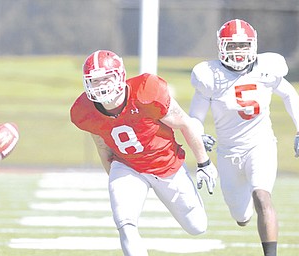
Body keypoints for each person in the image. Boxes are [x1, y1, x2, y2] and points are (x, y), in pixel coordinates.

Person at [70, 50, 218, 255]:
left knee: (197, 226)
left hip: (167, 165)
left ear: (120, 75)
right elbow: (103, 146)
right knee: (125, 224)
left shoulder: (147, 91)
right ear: (87, 83)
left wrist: (204, 163)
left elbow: (184, 122)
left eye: (107, 78)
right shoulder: (83, 111)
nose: (102, 85)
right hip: (128, 167)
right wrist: (117, 184)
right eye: (95, 81)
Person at [189, 19, 299, 256]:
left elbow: (290, 95)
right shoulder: (209, 76)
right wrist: (198, 134)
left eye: (243, 45)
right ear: (221, 47)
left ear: (253, 45)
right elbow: (195, 117)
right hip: (229, 152)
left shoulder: (266, 68)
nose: (238, 51)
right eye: (232, 46)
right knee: (241, 216)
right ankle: (243, 213)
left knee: (262, 196)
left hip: (261, 146)